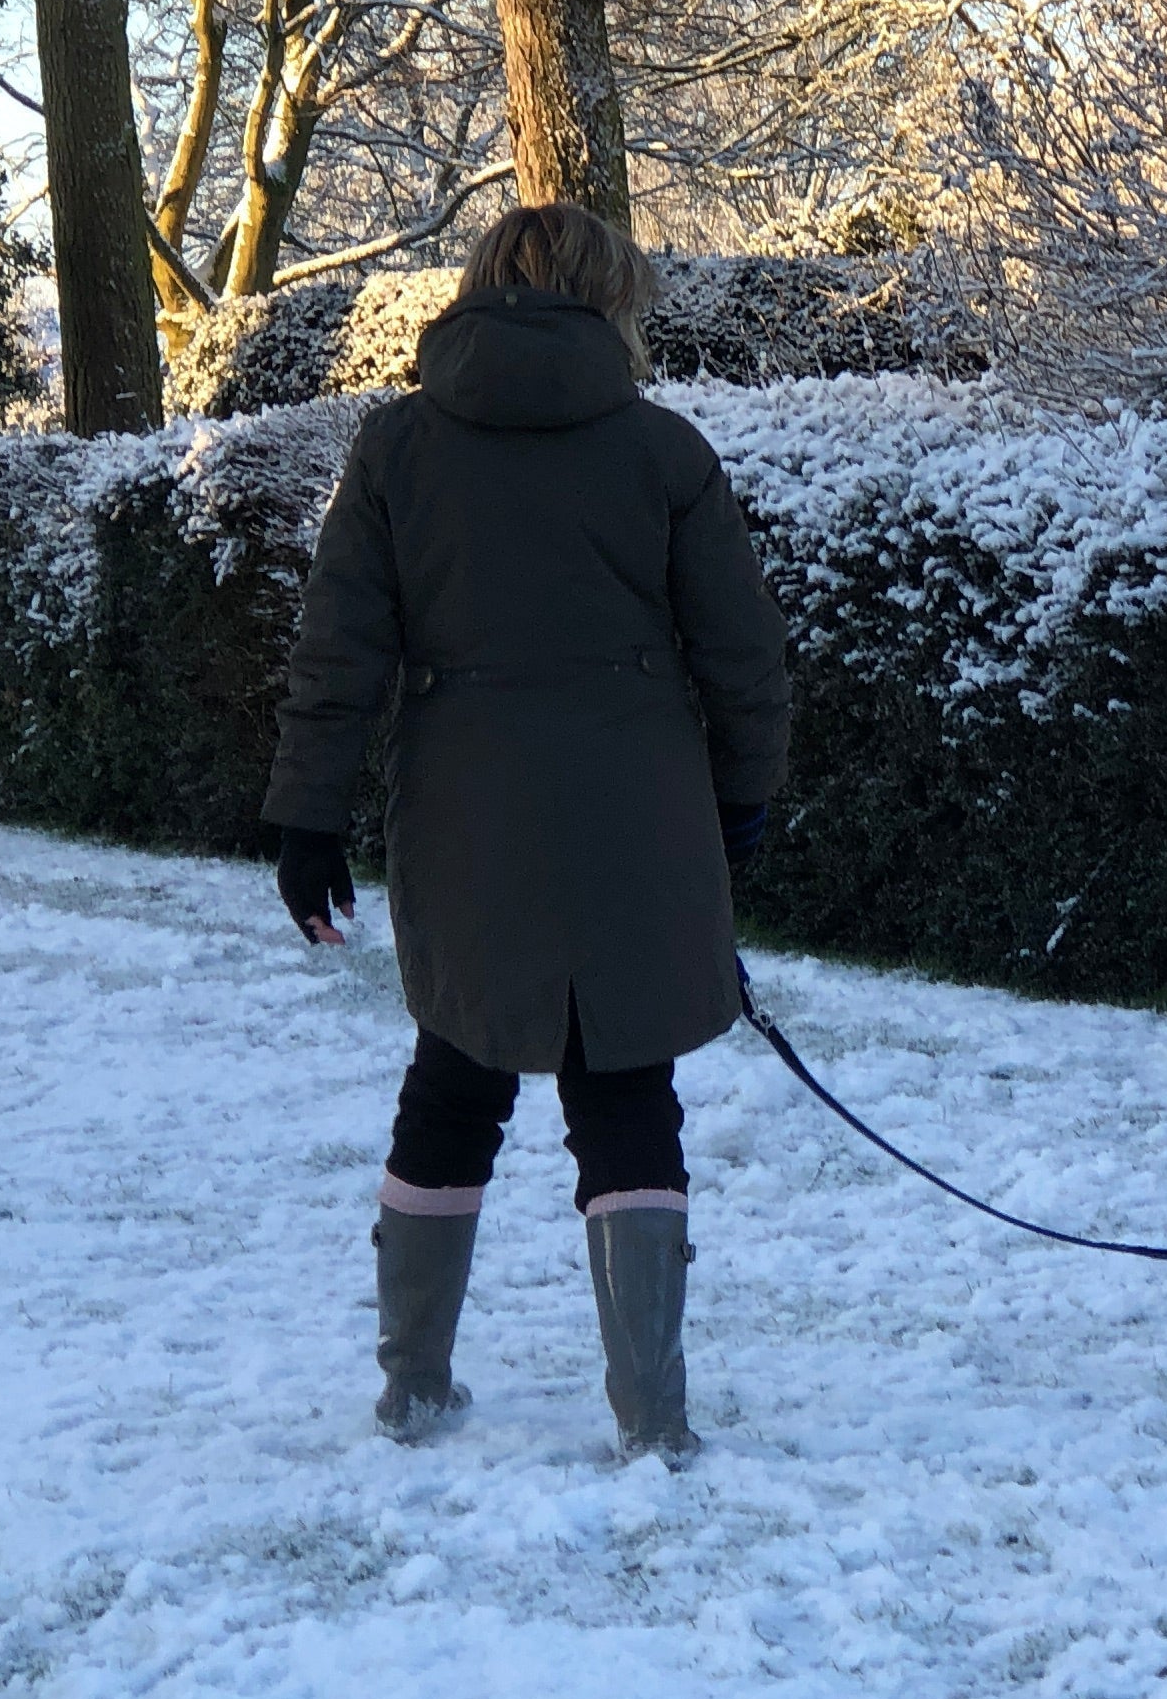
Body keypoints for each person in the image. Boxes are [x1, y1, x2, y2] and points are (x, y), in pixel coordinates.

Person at [261, 203, 791, 1458]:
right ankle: (650, 1420)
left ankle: (412, 1384)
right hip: (640, 812)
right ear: (607, 301)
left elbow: (340, 645)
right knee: (626, 1088)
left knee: (456, 1072)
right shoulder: (662, 453)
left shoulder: (396, 448)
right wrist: (738, 799)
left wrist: (306, 815)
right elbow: (744, 650)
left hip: (463, 810)